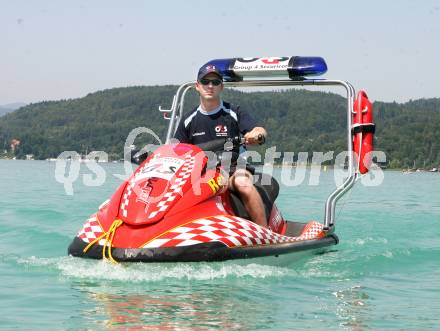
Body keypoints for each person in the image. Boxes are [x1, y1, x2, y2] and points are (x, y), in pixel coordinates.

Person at [174, 64, 268, 228]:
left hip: (232, 170)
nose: (210, 86)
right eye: (205, 81)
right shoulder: (188, 120)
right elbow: (174, 151)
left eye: (215, 82)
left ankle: (265, 234)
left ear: (221, 86)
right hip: (199, 173)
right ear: (198, 86)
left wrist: (257, 135)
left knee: (243, 184)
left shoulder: (233, 112)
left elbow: (259, 130)